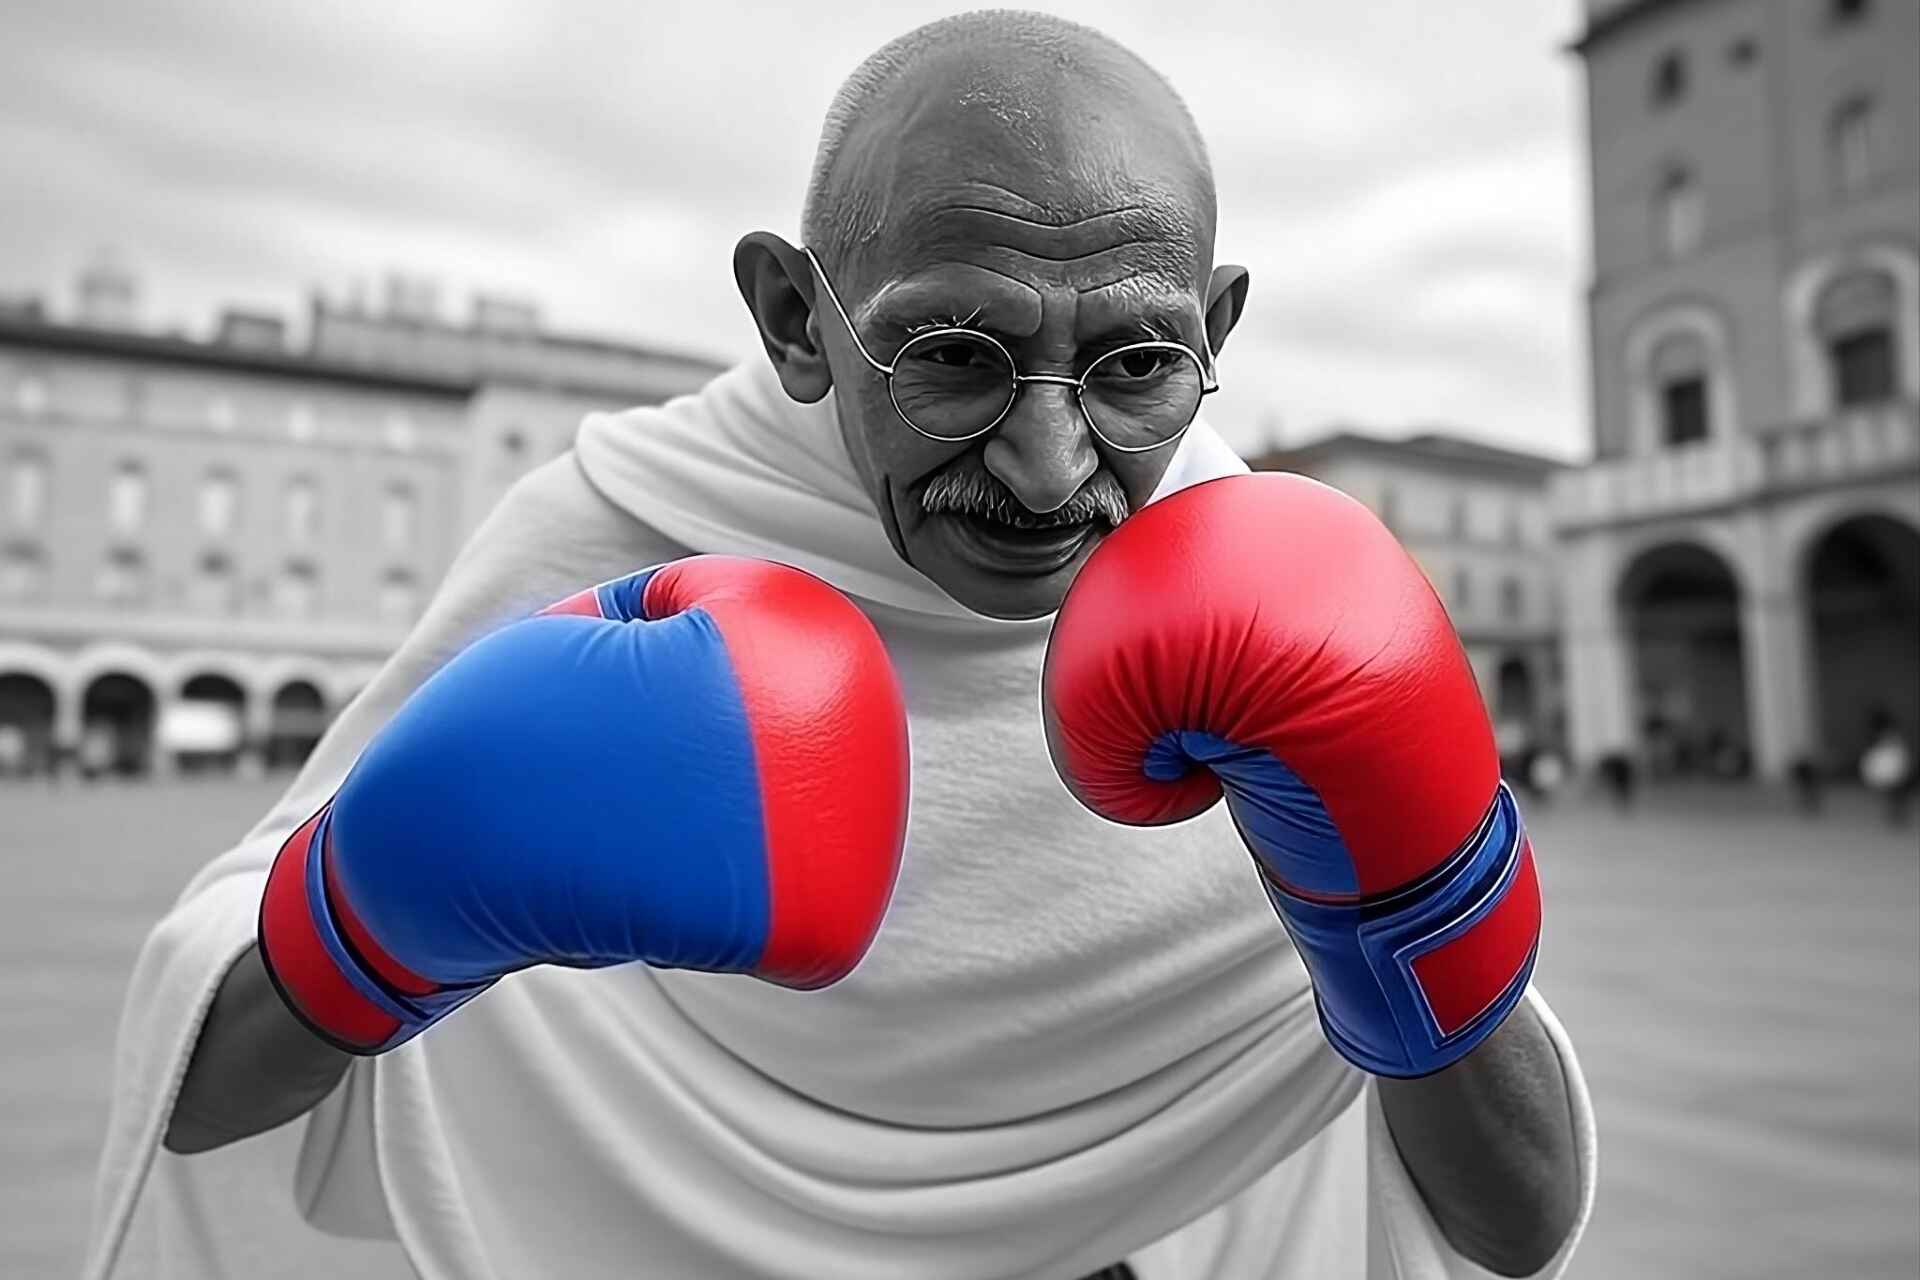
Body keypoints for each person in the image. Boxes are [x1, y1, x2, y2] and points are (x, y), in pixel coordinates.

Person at [87, 13, 1592, 1280]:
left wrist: (1419, 921)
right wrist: (378, 915)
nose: (1052, 466)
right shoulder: (622, 527)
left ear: (1218, 329)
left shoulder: (1274, 588)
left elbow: (1510, 1224)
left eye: (1137, 362)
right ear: (796, 319)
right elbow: (205, 1088)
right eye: (953, 355)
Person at [1860, 710, 1915, 828]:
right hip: (1891, 770)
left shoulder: (1889, 738)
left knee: (1895, 794)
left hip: (1892, 770)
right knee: (1893, 794)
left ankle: (1896, 814)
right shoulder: (1889, 738)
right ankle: (1895, 814)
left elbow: (1899, 754)